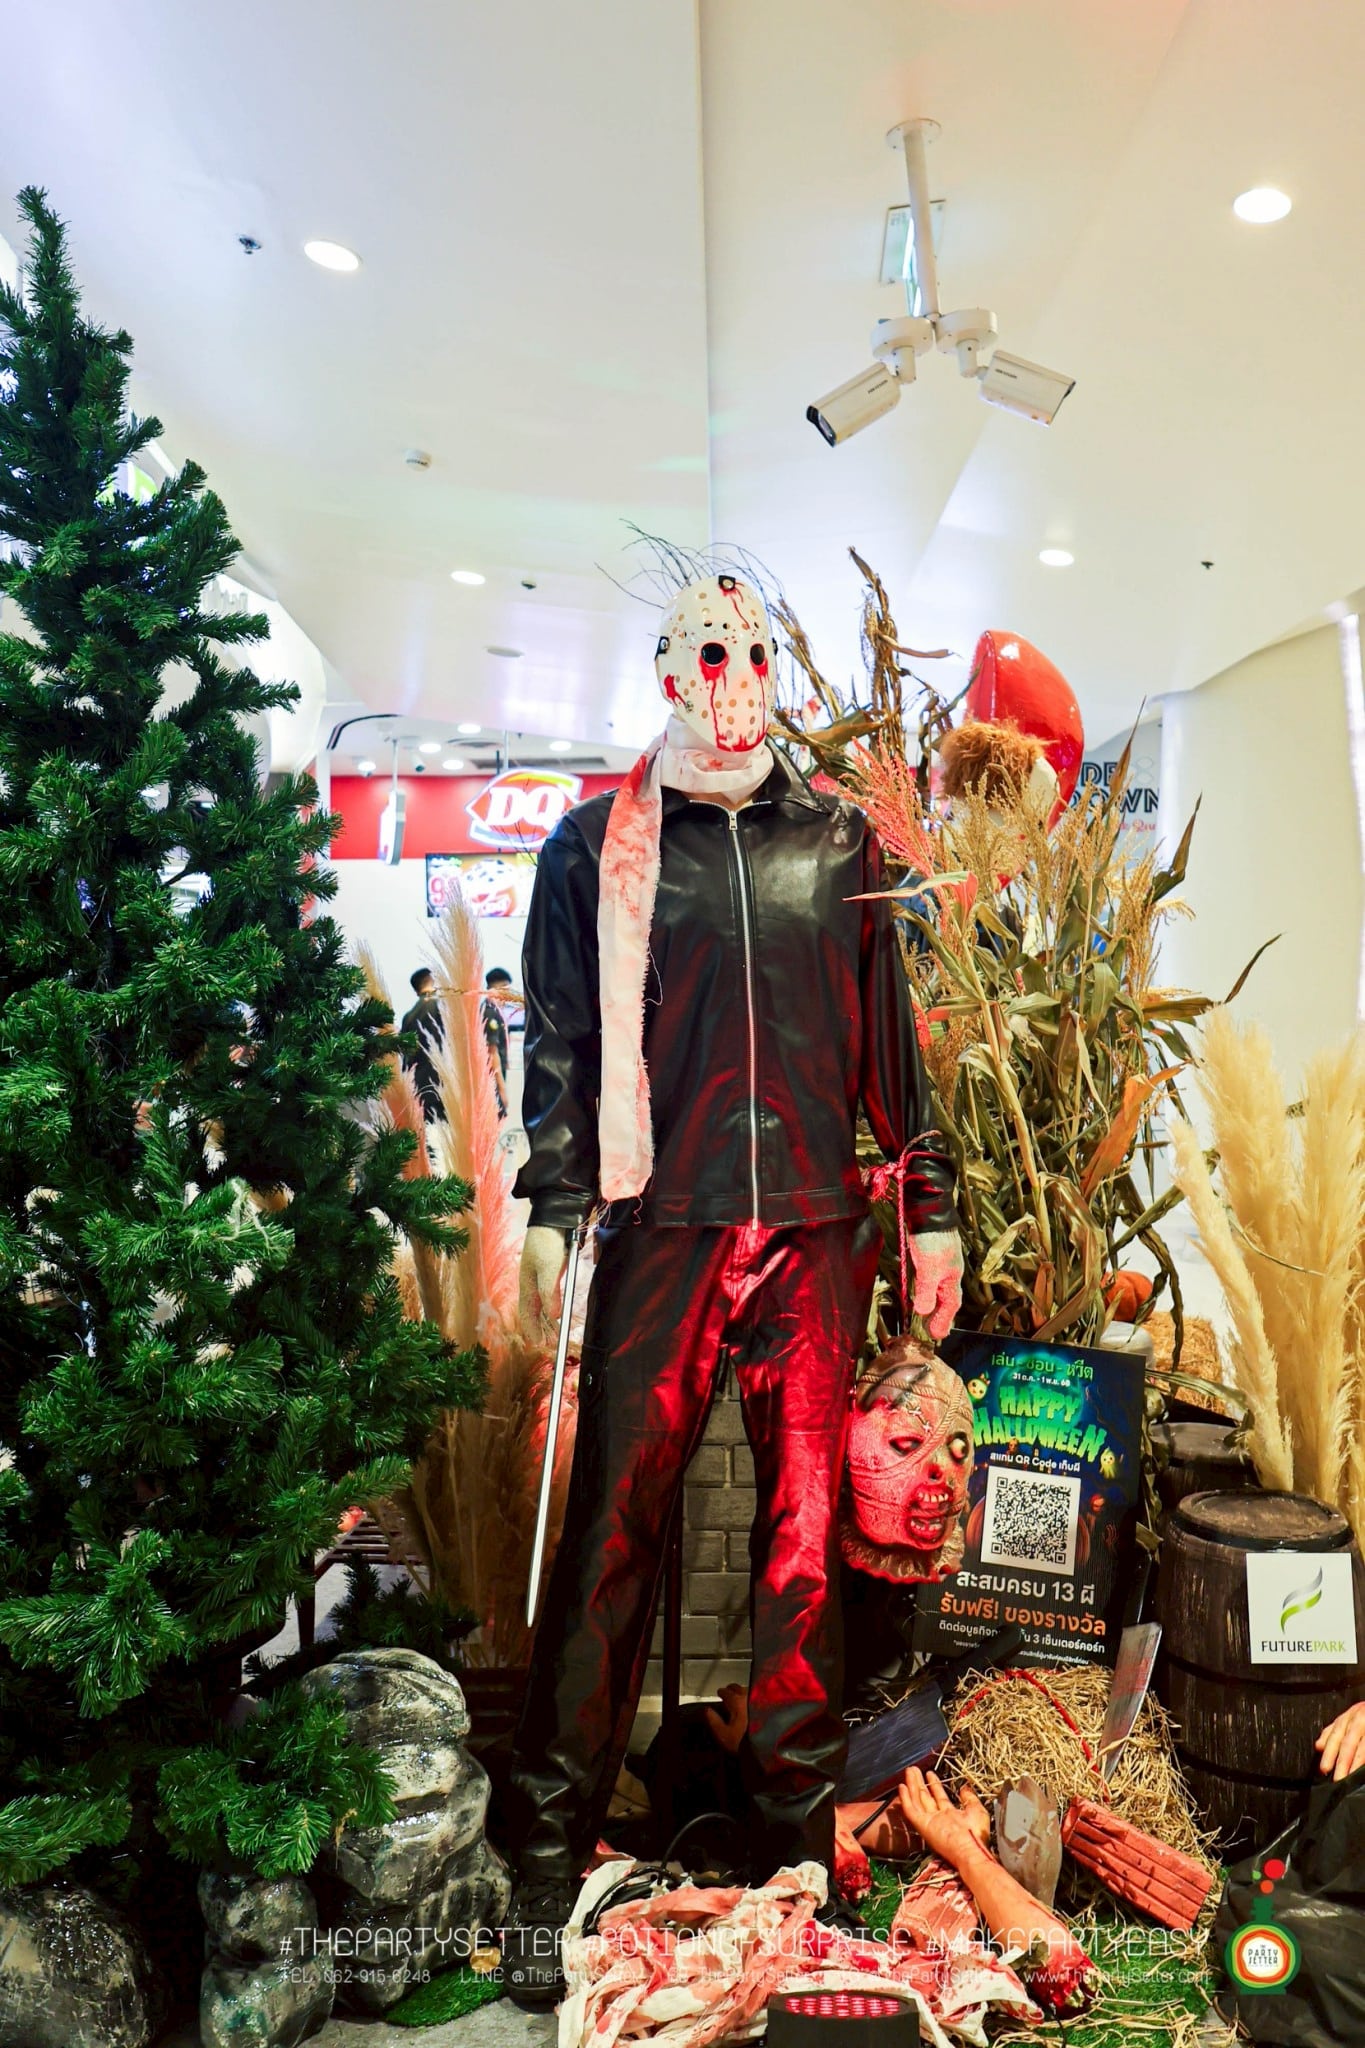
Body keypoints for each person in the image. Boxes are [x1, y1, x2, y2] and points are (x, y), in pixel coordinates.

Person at [499, 571, 963, 2009]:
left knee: (804, 1545)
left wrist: (932, 1205)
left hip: (816, 1229)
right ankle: (544, 1845)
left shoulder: (838, 841)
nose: (733, 675)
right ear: (664, 672)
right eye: (706, 653)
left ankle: (790, 1848)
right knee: (611, 1531)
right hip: (663, 1224)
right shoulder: (597, 847)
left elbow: (892, 1039)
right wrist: (555, 1204)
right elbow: (560, 1039)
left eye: (751, 649)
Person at [399, 967, 445, 1122]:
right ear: (431, 980)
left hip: (417, 1084)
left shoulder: (408, 1016)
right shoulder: (440, 1006)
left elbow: (404, 1053)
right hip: (440, 1083)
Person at [482, 966, 512, 1118]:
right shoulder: (490, 1012)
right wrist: (502, 1090)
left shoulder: (490, 1009)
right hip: (491, 1081)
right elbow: (492, 1052)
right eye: (507, 990)